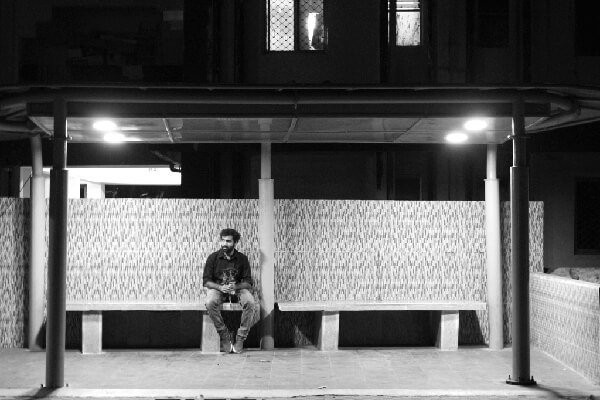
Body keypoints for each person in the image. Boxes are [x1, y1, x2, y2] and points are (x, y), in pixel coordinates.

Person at [203, 228, 256, 354]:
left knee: (250, 302)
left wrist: (235, 287)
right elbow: (206, 281)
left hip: (236, 289)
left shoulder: (242, 258)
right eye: (222, 240)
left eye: (228, 241)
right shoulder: (213, 258)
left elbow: (248, 282)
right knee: (210, 302)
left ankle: (240, 338)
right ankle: (224, 336)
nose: (224, 244)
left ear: (235, 242)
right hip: (218, 289)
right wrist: (221, 287)